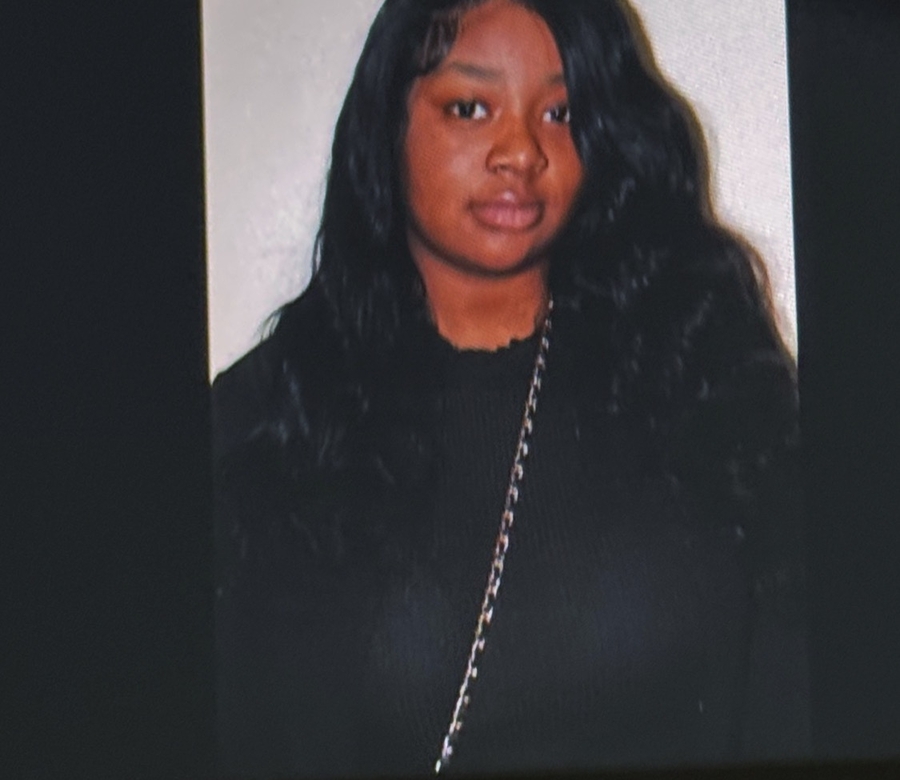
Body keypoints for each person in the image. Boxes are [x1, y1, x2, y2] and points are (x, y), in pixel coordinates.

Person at [211, 0, 809, 776]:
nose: (522, 151)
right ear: (387, 124)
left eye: (563, 112)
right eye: (470, 107)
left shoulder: (702, 375)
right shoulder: (268, 422)